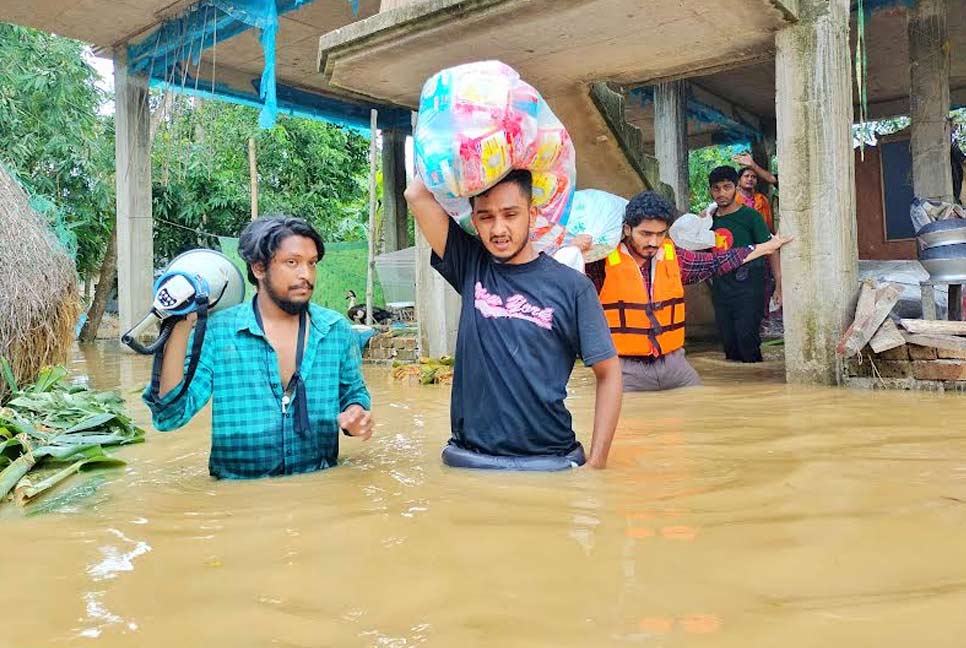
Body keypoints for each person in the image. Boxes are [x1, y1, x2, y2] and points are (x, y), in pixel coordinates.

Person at [404, 170, 623, 470]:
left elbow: (609, 372)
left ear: (532, 214)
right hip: (470, 461)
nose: (498, 229)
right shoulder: (470, 264)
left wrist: (597, 464)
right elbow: (415, 194)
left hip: (550, 462)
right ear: (474, 221)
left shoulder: (573, 287)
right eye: (485, 217)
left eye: (510, 214)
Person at [143, 215, 374, 479]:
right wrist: (180, 325)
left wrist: (356, 414)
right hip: (238, 501)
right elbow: (170, 417)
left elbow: (353, 393)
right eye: (292, 262)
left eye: (312, 264)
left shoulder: (336, 330)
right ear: (259, 268)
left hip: (319, 491)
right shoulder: (219, 333)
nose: (306, 274)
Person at [582, 191, 791, 391]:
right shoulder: (599, 265)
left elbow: (717, 262)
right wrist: (575, 249)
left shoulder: (676, 258)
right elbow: (563, 277)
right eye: (645, 234)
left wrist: (766, 247)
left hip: (676, 367)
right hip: (625, 369)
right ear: (627, 230)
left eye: (660, 234)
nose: (653, 242)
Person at [706, 166, 779, 363]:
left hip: (750, 285)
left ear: (736, 187)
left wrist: (779, 284)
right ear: (710, 191)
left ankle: (757, 385)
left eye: (727, 187)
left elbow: (770, 249)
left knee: (747, 340)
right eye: (716, 188)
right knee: (729, 344)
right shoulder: (708, 221)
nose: (721, 193)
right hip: (721, 287)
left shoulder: (751, 216)